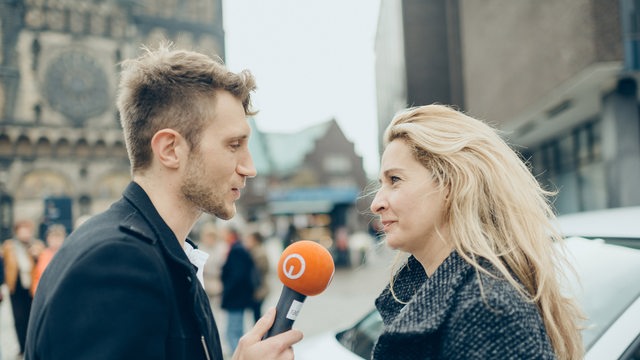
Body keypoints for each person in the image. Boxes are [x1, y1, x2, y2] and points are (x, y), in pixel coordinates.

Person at [25, 43, 303, 360]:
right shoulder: (118, 264)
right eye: (234, 145)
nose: (249, 168)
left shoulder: (164, 253)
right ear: (170, 149)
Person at [369, 104, 584, 360]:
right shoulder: (449, 295)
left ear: (450, 184)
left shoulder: (490, 309)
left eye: (395, 180)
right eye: (381, 183)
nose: (376, 203)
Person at [2, 219, 44, 357]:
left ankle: (31, 345)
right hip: (16, 286)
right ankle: (22, 346)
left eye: (28, 230)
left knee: (31, 317)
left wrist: (35, 255)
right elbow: (4, 264)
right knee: (19, 318)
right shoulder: (9, 246)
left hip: (32, 287)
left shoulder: (36, 245)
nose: (25, 233)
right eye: (22, 230)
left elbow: (42, 265)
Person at [220, 227, 256, 353]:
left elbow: (237, 276)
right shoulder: (239, 249)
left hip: (235, 298)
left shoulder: (236, 250)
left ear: (232, 235)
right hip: (238, 297)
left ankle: (237, 355)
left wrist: (227, 291)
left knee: (232, 332)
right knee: (237, 330)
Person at [31, 224, 66, 295]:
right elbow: (37, 276)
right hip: (45, 292)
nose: (56, 241)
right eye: (53, 237)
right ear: (47, 239)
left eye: (58, 237)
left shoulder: (67, 254)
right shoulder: (42, 255)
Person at [244, 231, 270, 323]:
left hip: (259, 289)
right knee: (256, 313)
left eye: (249, 239)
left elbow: (261, 271)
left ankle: (260, 334)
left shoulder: (258, 253)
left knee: (257, 313)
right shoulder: (254, 251)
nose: (246, 242)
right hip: (259, 288)